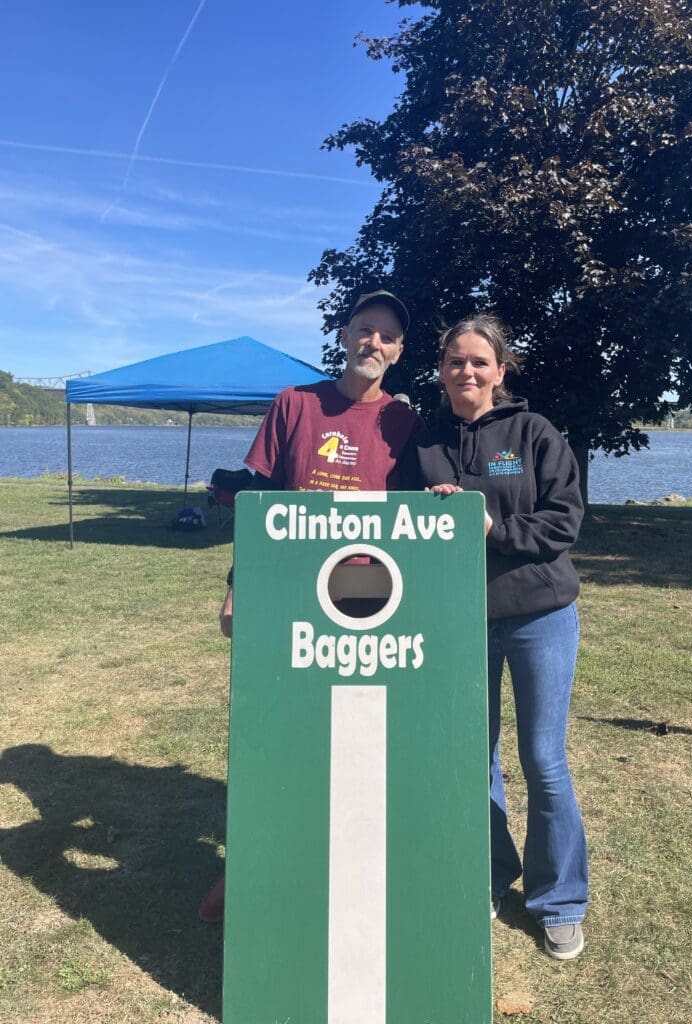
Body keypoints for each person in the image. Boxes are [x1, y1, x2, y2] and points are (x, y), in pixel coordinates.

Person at [199, 289, 423, 922]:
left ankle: (356, 869)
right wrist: (239, 585)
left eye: (385, 335)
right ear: (345, 336)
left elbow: (419, 515)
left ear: (399, 351)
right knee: (275, 737)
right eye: (363, 329)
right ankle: (245, 866)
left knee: (361, 737)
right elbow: (260, 504)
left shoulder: (405, 424)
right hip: (288, 592)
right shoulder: (294, 404)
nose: (372, 342)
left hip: (369, 598)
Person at [402, 314, 588, 961]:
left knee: (544, 760)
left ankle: (559, 900)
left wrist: (488, 526)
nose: (467, 372)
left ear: (500, 371)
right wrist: (432, 514)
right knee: (470, 761)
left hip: (540, 615)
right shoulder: (424, 445)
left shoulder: (533, 432)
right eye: (455, 361)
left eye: (479, 361)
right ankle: (486, 874)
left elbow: (563, 521)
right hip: (460, 620)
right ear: (441, 369)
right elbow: (400, 525)